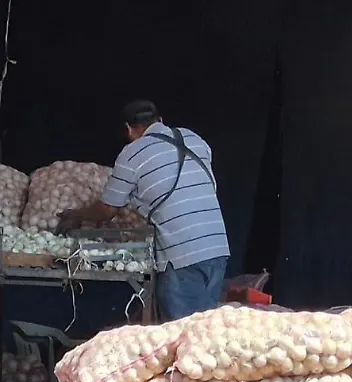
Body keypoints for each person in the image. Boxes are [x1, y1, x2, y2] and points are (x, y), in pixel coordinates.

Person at [57, 100, 229, 321]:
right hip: (217, 247)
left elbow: (108, 209)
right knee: (204, 328)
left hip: (182, 255)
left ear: (128, 129)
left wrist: (77, 215)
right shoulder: (194, 139)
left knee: (181, 334)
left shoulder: (132, 154)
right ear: (160, 120)